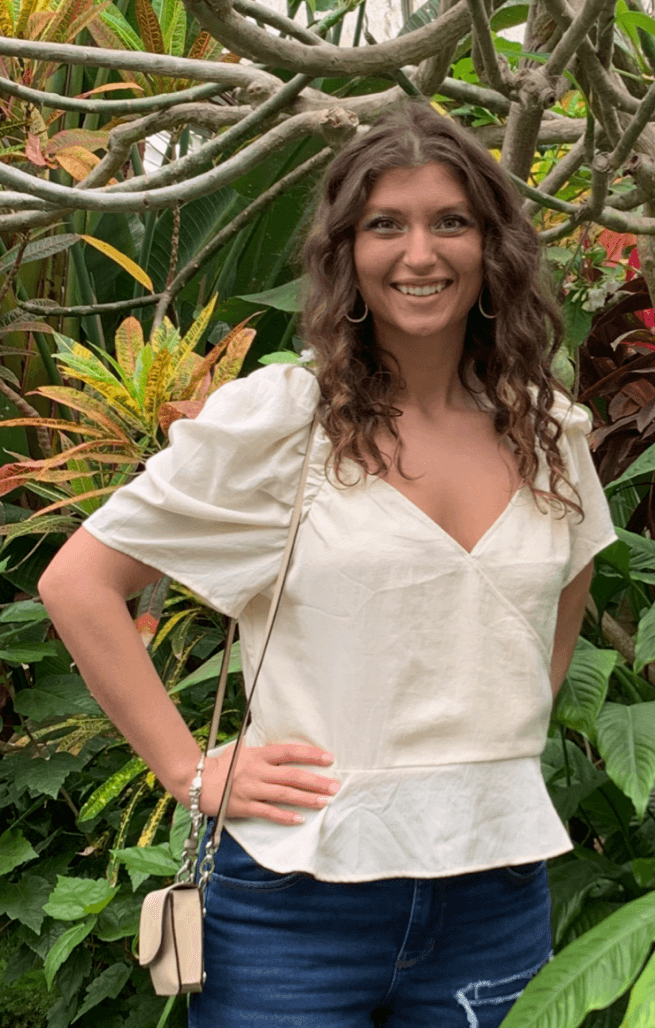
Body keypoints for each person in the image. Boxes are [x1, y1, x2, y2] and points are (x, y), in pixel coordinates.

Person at [39, 101, 617, 1028]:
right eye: (385, 224)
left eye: (450, 222)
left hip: (494, 892)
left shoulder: (546, 429)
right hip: (295, 903)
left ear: (492, 248)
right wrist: (190, 769)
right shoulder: (284, 422)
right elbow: (78, 584)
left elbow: (567, 583)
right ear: (345, 252)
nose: (419, 254)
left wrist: (485, 744)